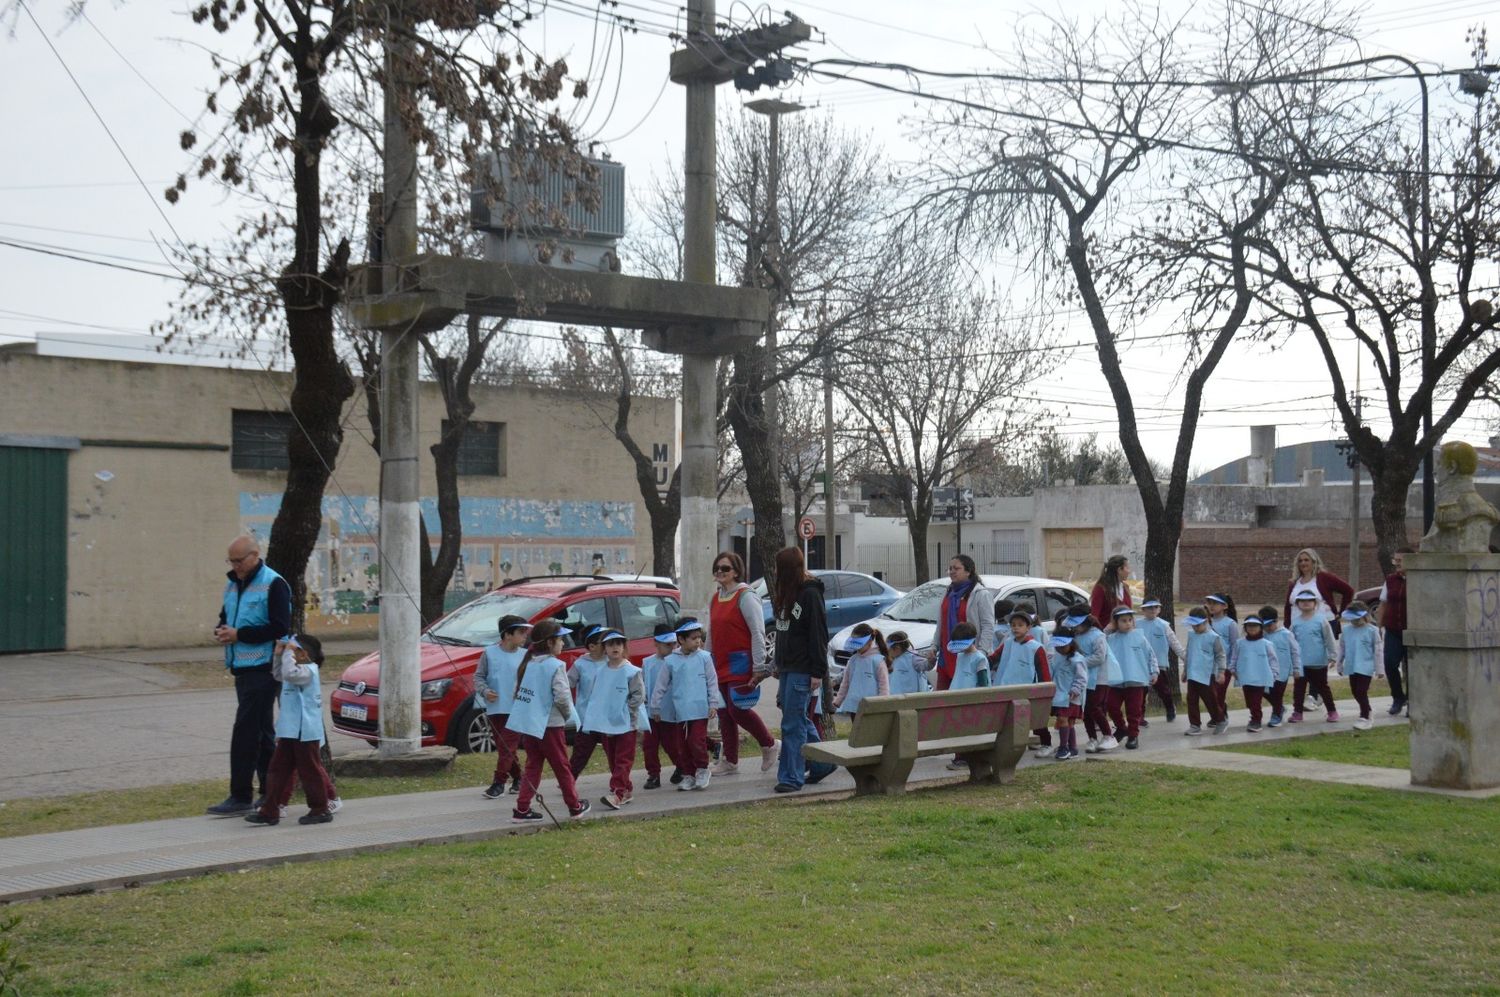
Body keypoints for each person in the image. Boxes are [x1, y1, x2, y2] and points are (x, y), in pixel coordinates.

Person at [209, 534, 293, 817]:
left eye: (239, 560)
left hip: (264, 667)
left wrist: (239, 634)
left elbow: (280, 626)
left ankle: (240, 794)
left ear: (255, 555)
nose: (235, 566)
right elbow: (226, 616)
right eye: (231, 561)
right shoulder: (232, 584)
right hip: (241, 667)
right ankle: (270, 792)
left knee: (245, 731)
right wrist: (222, 629)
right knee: (262, 732)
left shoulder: (274, 583)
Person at [763, 546, 836, 794]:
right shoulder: (788, 594)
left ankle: (791, 777)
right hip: (788, 667)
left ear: (786, 569)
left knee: (791, 725)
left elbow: (818, 634)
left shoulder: (810, 595)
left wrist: (817, 671)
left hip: (802, 668)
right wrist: (778, 663)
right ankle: (822, 762)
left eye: (777, 567)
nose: (774, 571)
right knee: (799, 720)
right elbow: (784, 632)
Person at [245, 634, 333, 826]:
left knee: (309, 770)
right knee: (277, 769)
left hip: (305, 730)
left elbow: (289, 674)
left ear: (304, 654)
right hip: (289, 729)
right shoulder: (292, 668)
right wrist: (279, 654)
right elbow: (279, 674)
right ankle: (270, 810)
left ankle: (320, 809)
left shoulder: (309, 670)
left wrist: (287, 652)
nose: (289, 655)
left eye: (294, 651)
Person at [507, 620, 589, 822]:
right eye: (560, 640)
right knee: (562, 767)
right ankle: (575, 806)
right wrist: (568, 715)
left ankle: (522, 808)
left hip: (531, 726)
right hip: (551, 726)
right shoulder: (556, 665)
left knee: (533, 766)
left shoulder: (528, 663)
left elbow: (516, 693)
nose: (563, 643)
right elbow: (562, 696)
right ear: (551, 642)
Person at [705, 551, 779, 777]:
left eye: (725, 568)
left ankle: (769, 744)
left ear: (736, 571)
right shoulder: (716, 597)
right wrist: (706, 662)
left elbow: (758, 633)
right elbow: (711, 632)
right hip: (719, 663)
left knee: (738, 710)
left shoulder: (746, 596)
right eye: (717, 568)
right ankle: (730, 760)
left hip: (741, 663)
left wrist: (758, 666)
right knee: (724, 713)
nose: (720, 571)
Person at [650, 618, 722, 791]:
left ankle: (703, 769)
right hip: (680, 712)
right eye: (693, 638)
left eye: (699, 637)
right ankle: (689, 774)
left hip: (699, 710)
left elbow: (712, 682)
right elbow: (661, 685)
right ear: (681, 640)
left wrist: (713, 703)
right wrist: (655, 706)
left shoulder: (705, 658)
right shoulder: (670, 661)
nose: (698, 641)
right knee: (682, 745)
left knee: (696, 741)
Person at [583, 631, 647, 811]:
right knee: (612, 757)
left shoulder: (631, 671)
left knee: (623, 759)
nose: (615, 648)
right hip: (607, 724)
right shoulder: (601, 671)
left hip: (626, 724)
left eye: (618, 644)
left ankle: (617, 792)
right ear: (605, 648)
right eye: (611, 644)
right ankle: (626, 789)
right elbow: (598, 696)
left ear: (624, 647)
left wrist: (626, 710)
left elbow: (638, 695)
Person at [473, 615, 530, 799]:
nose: (524, 635)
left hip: (518, 710)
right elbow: (479, 677)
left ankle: (498, 783)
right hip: (496, 708)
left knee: (507, 746)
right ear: (507, 634)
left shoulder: (526, 656)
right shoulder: (489, 653)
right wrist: (485, 691)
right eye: (521, 632)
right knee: (505, 747)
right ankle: (519, 779)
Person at [927, 555, 995, 691]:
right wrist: (934, 646)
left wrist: (980, 652)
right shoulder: (948, 593)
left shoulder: (981, 594)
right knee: (941, 702)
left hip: (968, 655)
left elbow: (988, 626)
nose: (952, 571)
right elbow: (941, 624)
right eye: (950, 568)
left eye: (956, 568)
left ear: (968, 571)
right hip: (947, 657)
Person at [994, 608, 1052, 753]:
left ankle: (1046, 743)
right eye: (1013, 625)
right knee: (1009, 717)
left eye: (1020, 625)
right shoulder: (1008, 643)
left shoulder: (1035, 648)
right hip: (1007, 686)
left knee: (1034, 717)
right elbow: (995, 657)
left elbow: (1043, 671)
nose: (1015, 628)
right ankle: (1015, 743)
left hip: (1027, 689)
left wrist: (1045, 689)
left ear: (1029, 627)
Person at [1065, 604, 1118, 754]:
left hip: (1099, 679)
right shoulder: (1075, 636)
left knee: (1094, 708)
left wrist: (1079, 662)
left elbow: (1099, 657)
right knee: (1085, 710)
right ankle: (1092, 738)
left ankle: (1108, 736)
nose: (1075, 628)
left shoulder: (1098, 635)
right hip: (1084, 679)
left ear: (1086, 622)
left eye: (1078, 625)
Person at [1104, 606, 1159, 749]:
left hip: (1135, 680)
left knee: (1134, 710)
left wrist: (1154, 672)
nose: (1128, 623)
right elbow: (1101, 647)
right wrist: (1107, 630)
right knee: (1112, 706)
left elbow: (1150, 655)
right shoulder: (1109, 638)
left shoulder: (1139, 637)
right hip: (1116, 681)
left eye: (1130, 620)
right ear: (1115, 622)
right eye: (1123, 621)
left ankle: (1133, 735)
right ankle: (1122, 728)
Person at [567, 625, 610, 777]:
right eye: (603, 642)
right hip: (587, 718)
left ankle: (620, 782)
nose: (608, 646)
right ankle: (569, 780)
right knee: (580, 752)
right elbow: (568, 683)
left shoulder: (612, 661)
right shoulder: (580, 664)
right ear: (592, 646)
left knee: (613, 752)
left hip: (607, 717)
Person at [1289, 593, 1339, 723]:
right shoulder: (1295, 622)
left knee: (1323, 688)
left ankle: (1332, 711)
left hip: (1318, 662)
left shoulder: (1321, 620)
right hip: (1300, 664)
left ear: (1315, 603)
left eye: (1309, 600)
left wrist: (1333, 656)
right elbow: (1290, 642)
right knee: (1298, 690)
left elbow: (1329, 639)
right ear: (1298, 604)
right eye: (1302, 601)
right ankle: (1297, 712)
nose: (1306, 603)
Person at [1376, 547, 1414, 715]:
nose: (1397, 563)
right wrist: (1379, 625)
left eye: (1401, 560)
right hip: (1393, 629)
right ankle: (1398, 697)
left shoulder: (1419, 579)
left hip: (1412, 630)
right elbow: (1383, 604)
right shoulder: (1391, 580)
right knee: (1390, 664)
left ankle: (1414, 700)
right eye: (1395, 560)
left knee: (1412, 668)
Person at [1228, 614, 1281, 733]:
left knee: (1256, 701)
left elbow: (1273, 660)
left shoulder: (1267, 644)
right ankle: (1254, 716)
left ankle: (1256, 720)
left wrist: (1274, 674)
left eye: (1255, 626)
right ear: (1245, 628)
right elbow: (1234, 658)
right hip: (1245, 677)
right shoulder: (1239, 643)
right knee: (1249, 701)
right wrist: (1232, 669)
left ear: (1261, 627)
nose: (1252, 628)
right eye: (1249, 626)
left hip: (1260, 677)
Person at [1283, 548, 1354, 634]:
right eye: (1300, 561)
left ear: (1314, 561)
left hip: (1323, 625)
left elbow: (1348, 591)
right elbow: (1288, 606)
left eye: (1306, 560)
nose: (1303, 563)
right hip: (1298, 626)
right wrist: (1287, 626)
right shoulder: (1294, 582)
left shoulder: (1324, 577)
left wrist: (1341, 611)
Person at [640, 623, 677, 789]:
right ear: (656, 643)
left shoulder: (676, 662)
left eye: (673, 644)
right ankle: (653, 775)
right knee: (649, 745)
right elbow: (644, 684)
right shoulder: (647, 663)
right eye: (666, 644)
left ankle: (682, 767)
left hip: (670, 712)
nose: (671, 648)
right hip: (651, 713)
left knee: (671, 744)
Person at [1181, 609, 1228, 735]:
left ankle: (1220, 720)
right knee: (1191, 700)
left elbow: (1220, 655)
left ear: (1206, 622)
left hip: (1207, 675)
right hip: (1192, 674)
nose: (1195, 628)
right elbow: (1188, 654)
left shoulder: (1213, 637)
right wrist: (1185, 671)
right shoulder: (1191, 635)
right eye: (1193, 625)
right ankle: (1195, 725)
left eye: (1198, 625)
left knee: (1210, 700)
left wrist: (1221, 672)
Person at [1336, 601, 1382, 730]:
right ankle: (1368, 710)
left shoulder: (1372, 631)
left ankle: (1364, 716)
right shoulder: (1346, 630)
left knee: (1362, 691)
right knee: (1355, 691)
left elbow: (1378, 651)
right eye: (1352, 619)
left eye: (1358, 618)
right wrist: (1339, 665)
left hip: (1366, 666)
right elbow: (1342, 648)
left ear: (1365, 616)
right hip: (1352, 665)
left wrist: (1380, 669)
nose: (1355, 621)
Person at [1137, 598, 1181, 721]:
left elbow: (1174, 643)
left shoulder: (1164, 625)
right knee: (1141, 693)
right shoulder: (1137, 625)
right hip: (1141, 665)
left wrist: (1184, 656)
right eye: (1149, 607)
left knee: (1163, 691)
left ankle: (1170, 708)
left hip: (1159, 665)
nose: (1153, 610)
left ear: (1159, 609)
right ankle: (1140, 717)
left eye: (1156, 607)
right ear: (1143, 609)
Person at [833, 623, 891, 717]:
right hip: (854, 707)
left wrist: (882, 707)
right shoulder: (853, 660)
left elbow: (884, 687)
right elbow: (845, 683)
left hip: (872, 708)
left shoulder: (878, 661)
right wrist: (838, 701)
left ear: (869, 642)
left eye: (859, 644)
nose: (857, 648)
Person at [1047, 631, 1088, 760]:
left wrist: (1075, 690)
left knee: (1064, 720)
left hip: (1071, 696)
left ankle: (1063, 747)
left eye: (1062, 646)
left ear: (1071, 644)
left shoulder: (1077, 660)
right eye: (1057, 646)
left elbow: (1082, 678)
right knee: (1067, 722)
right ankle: (1072, 748)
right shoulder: (1056, 657)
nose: (1059, 649)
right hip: (1058, 696)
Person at [1259, 604, 1301, 728]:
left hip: (1282, 671)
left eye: (1269, 625)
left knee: (1277, 694)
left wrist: (1297, 668)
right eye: (1264, 625)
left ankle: (1276, 714)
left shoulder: (1286, 634)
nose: (1267, 628)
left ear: (1276, 621)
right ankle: (1280, 708)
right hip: (1266, 670)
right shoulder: (1262, 635)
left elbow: (1295, 651)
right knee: (1262, 691)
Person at [1204, 593, 1240, 720]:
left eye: (1215, 603)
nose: (1211, 606)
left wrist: (1232, 666)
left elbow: (1235, 645)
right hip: (1209, 665)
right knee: (1210, 693)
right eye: (1210, 603)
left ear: (1224, 606)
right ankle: (1221, 710)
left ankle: (1218, 718)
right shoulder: (1205, 622)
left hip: (1225, 666)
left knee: (1219, 692)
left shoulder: (1230, 624)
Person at [1090, 554, 1133, 626]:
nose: (1129, 571)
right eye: (1127, 568)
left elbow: (1130, 614)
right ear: (1119, 570)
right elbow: (1094, 617)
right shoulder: (1101, 589)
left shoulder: (1125, 587)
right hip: (1106, 635)